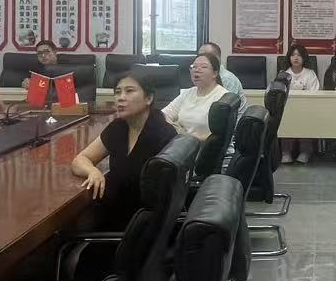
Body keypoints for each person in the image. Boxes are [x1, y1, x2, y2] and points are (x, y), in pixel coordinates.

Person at [70, 73, 178, 230]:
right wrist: (92, 171)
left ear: (149, 98)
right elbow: (80, 160)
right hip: (114, 214)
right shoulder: (118, 127)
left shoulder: (164, 135)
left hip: (136, 228)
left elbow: (162, 200)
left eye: (129, 91)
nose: (121, 98)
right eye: (117, 92)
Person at [162, 52, 230, 139]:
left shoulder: (223, 97)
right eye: (194, 67)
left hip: (203, 146)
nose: (197, 70)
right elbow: (163, 115)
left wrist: (184, 135)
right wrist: (175, 129)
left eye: (204, 67)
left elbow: (217, 137)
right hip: (182, 142)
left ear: (215, 73)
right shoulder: (187, 93)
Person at [279, 44, 321, 164]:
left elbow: (315, 92)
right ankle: (286, 152)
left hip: (307, 108)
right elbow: (279, 92)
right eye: (293, 55)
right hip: (288, 109)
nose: (296, 58)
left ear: (304, 58)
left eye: (299, 55)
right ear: (289, 58)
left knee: (306, 120)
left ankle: (305, 151)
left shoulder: (310, 74)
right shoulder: (284, 74)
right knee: (285, 120)